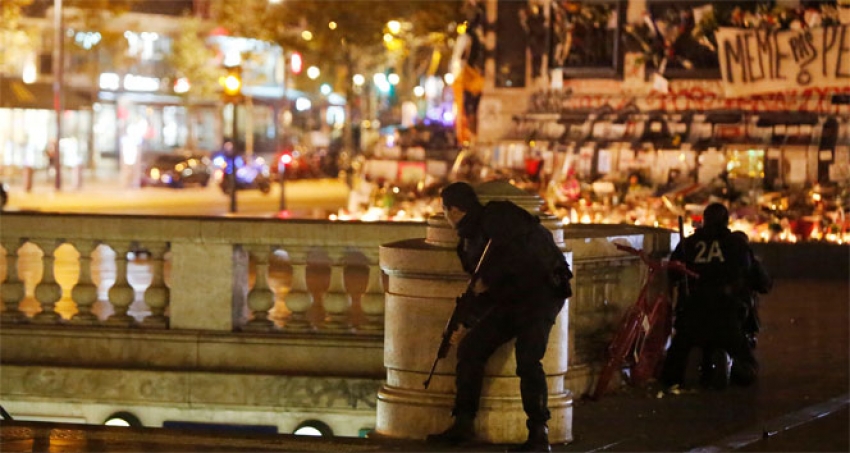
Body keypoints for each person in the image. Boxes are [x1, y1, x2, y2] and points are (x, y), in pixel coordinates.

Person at [427, 182, 571, 452]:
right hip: (513, 299)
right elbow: (486, 290)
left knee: (528, 359)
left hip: (542, 295)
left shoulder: (499, 217)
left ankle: (539, 434)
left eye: (445, 211)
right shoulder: (469, 244)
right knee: (471, 348)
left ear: (455, 211)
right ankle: (463, 423)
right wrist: (467, 323)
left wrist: (490, 278)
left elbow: (518, 257)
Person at [661, 203, 760, 391]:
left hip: (693, 313)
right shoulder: (736, 244)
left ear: (704, 220)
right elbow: (754, 275)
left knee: (671, 370)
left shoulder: (688, 244)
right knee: (747, 369)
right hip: (727, 314)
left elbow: (674, 273)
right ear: (726, 221)